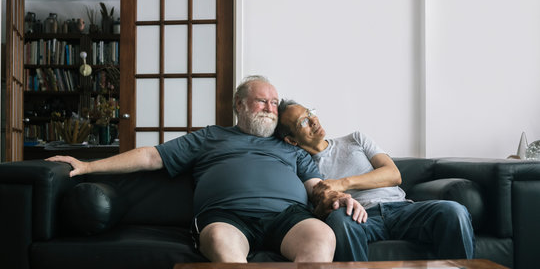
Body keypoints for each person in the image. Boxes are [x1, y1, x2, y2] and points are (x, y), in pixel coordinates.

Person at [47, 75, 365, 263]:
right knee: (222, 245)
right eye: (261, 101)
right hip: (226, 216)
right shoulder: (211, 136)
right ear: (240, 105)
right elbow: (149, 157)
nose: (270, 108)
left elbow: (316, 186)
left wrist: (338, 197)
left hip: (288, 216)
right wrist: (88, 165)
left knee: (321, 236)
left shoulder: (289, 147)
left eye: (273, 102)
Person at [275, 99, 475, 261]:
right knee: (340, 222)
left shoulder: (355, 139)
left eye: (310, 112)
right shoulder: (302, 167)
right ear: (292, 140)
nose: (313, 121)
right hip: (358, 218)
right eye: (302, 122)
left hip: (401, 209)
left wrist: (343, 183)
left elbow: (393, 174)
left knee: (454, 211)